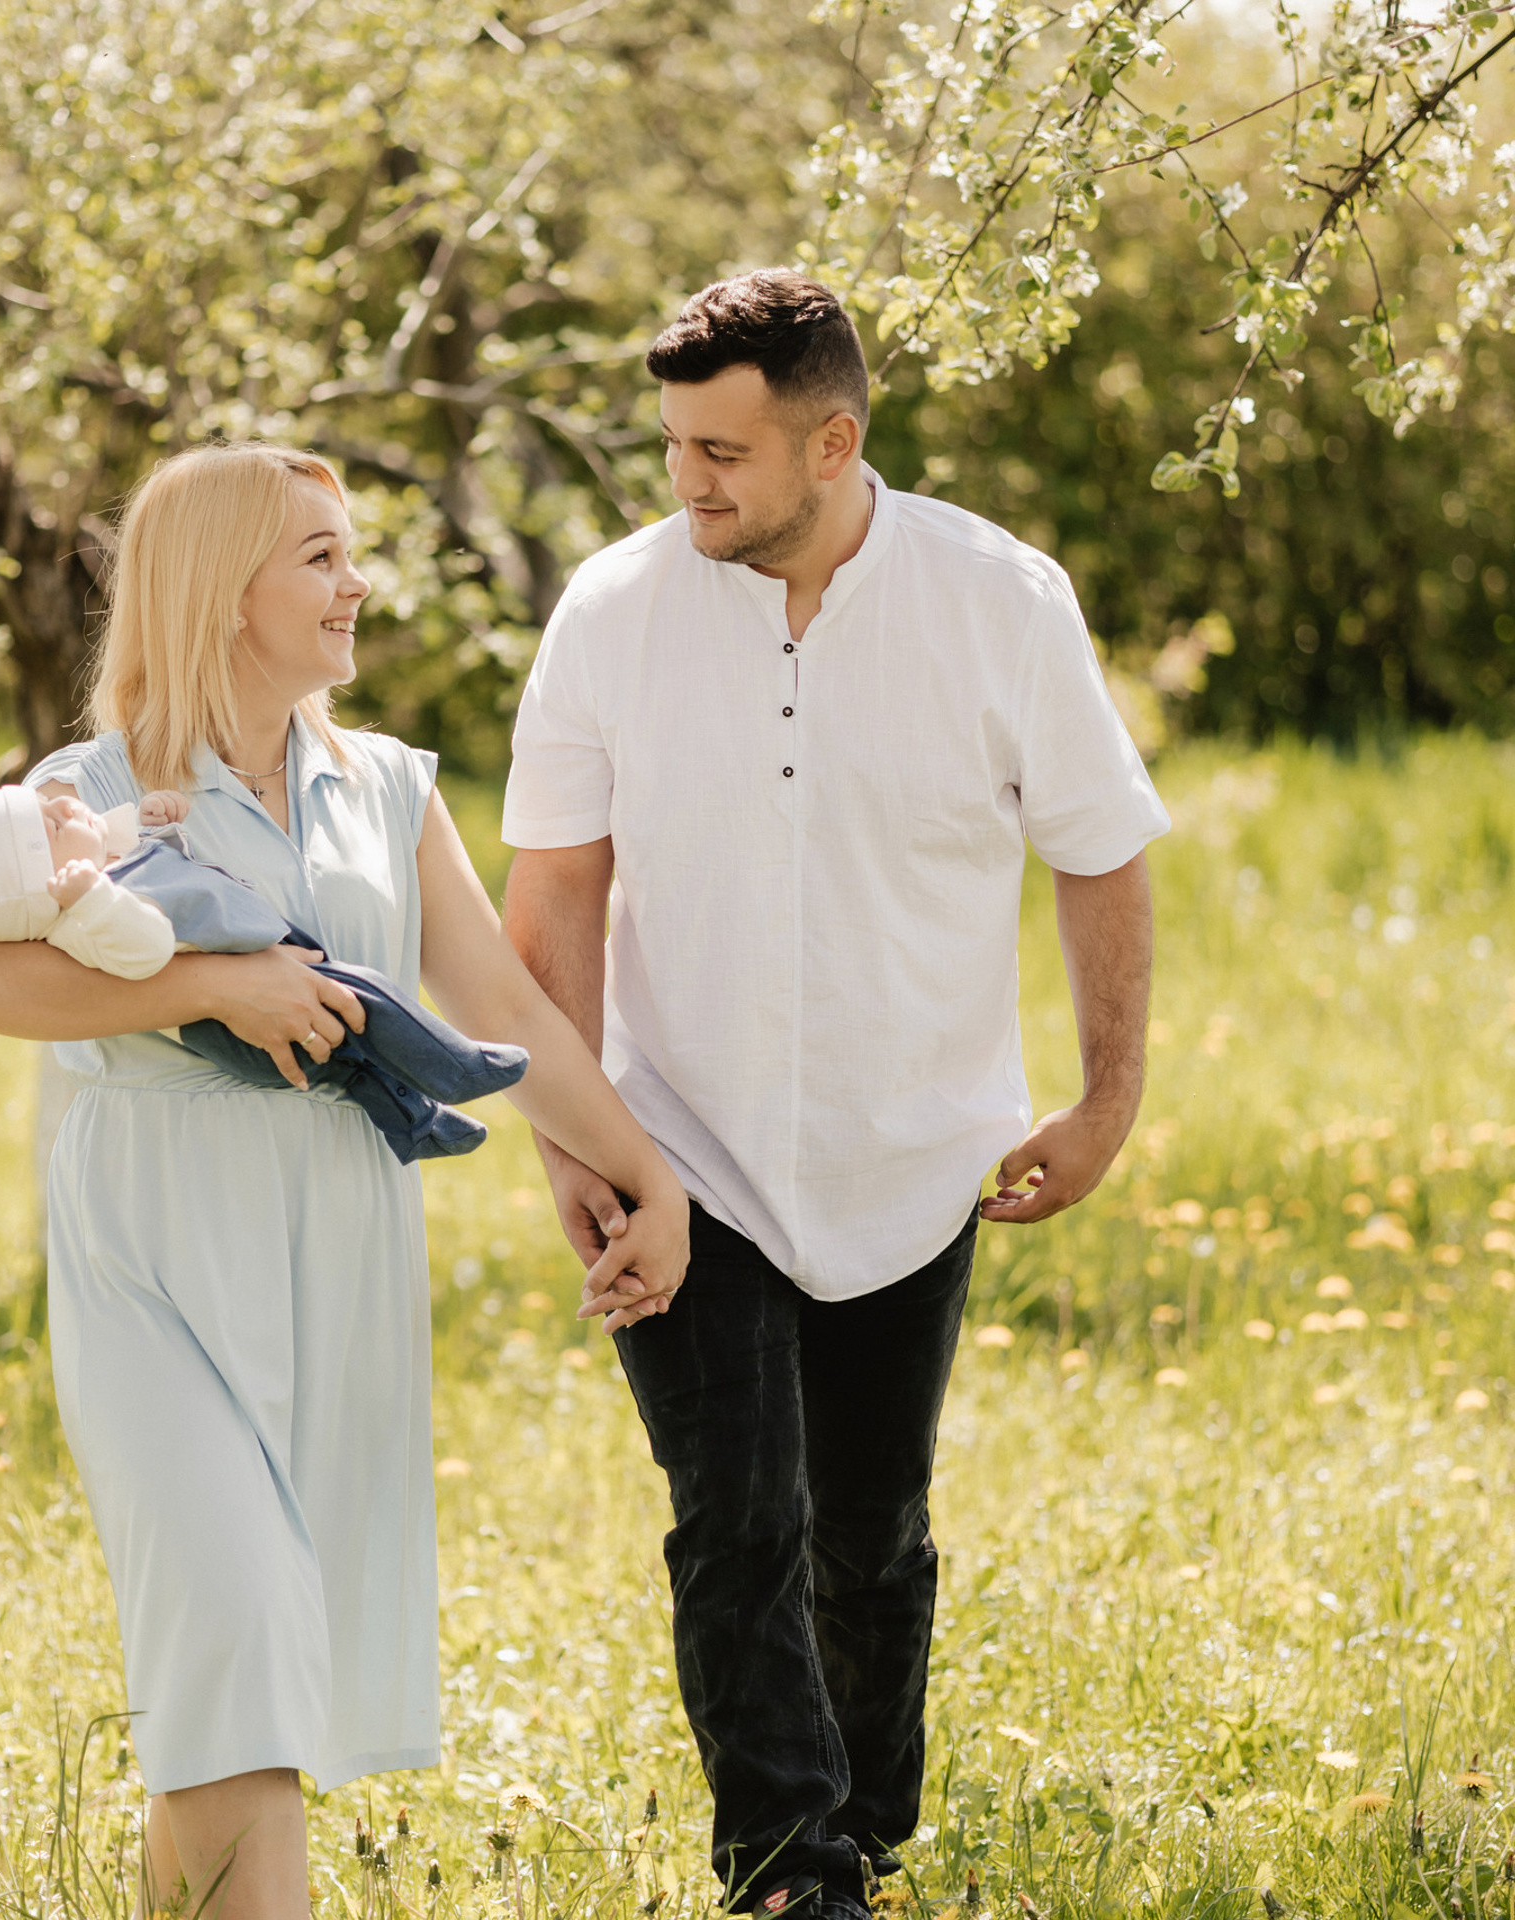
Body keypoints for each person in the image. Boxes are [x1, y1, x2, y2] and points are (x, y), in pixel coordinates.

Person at [0, 440, 689, 1920]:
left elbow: (504, 1010)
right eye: (322, 558)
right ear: (225, 593)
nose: (359, 585)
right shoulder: (83, 791)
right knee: (234, 1619)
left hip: (335, 1243)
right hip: (156, 1249)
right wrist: (218, 988)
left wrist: (641, 1173)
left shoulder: (388, 785)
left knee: (251, 1665)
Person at [501, 270, 1169, 1920]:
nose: (689, 481)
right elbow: (553, 897)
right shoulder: (612, 610)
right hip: (681, 1156)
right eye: (671, 445)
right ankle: (795, 1877)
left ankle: (866, 1828)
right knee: (736, 1520)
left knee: (870, 1533)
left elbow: (1101, 854)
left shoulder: (1001, 602)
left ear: (833, 440)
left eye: (722, 451)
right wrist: (574, 1142)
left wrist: (1104, 1103)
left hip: (915, 1149)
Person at [0, 781, 529, 1162]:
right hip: (248, 1032)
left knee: (356, 1065)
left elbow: (160, 866)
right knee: (367, 1000)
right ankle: (455, 1064)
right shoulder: (85, 919)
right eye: (52, 827)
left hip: (270, 1001)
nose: (68, 812)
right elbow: (146, 947)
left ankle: (418, 1123)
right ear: (46, 883)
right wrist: (91, 892)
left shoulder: (103, 874)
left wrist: (153, 821)